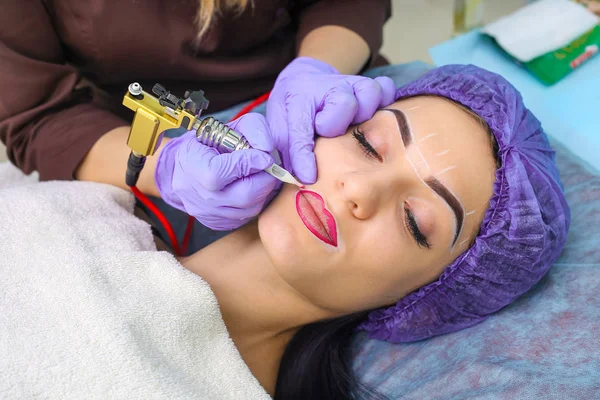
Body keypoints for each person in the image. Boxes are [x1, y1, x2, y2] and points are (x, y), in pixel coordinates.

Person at [0, 65, 570, 399]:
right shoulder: (91, 209)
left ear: (420, 301)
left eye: (415, 222)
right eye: (369, 142)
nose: (358, 192)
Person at [0, 0, 395, 234]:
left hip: (324, 79)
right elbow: (40, 115)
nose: (358, 192)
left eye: (369, 146)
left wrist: (315, 69)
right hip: (151, 143)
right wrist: (165, 169)